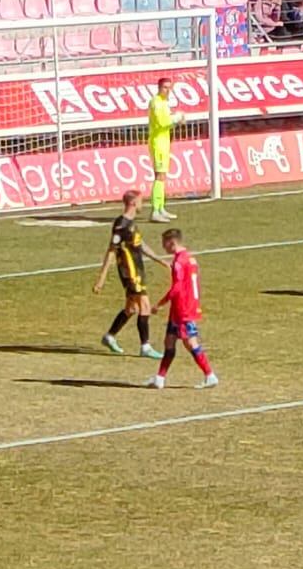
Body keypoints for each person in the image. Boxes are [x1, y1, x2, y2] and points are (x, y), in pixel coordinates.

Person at [91, 188, 166, 359]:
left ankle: (109, 336)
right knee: (145, 306)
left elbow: (140, 244)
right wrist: (101, 279)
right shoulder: (121, 225)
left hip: (137, 269)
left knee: (131, 308)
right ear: (133, 203)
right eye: (140, 200)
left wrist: (159, 259)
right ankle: (145, 346)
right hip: (130, 272)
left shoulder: (131, 223)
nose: (143, 203)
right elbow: (111, 250)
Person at [146, 229, 216, 388]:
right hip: (182, 307)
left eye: (164, 243)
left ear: (172, 242)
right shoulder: (190, 258)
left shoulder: (179, 262)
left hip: (183, 309)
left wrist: (160, 304)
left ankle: (209, 375)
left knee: (190, 343)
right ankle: (160, 378)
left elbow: (177, 287)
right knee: (169, 341)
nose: (163, 247)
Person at [146, 79, 178, 221]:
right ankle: (155, 211)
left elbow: (166, 123)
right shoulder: (156, 102)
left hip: (164, 142)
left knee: (162, 176)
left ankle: (161, 207)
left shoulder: (164, 103)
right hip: (158, 143)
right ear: (159, 88)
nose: (168, 90)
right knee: (159, 176)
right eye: (165, 87)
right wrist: (176, 119)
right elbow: (162, 122)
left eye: (169, 88)